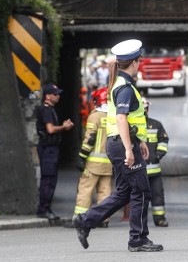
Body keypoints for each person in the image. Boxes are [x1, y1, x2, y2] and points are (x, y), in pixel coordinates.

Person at [72, 39, 163, 252]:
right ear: (134, 62)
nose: (140, 64)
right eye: (139, 60)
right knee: (141, 192)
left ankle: (85, 221)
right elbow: (122, 118)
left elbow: (128, 120)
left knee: (124, 193)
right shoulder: (125, 88)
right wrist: (130, 149)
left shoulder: (119, 84)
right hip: (122, 146)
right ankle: (138, 240)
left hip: (120, 144)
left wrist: (138, 142)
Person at [74, 87, 112, 226]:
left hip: (93, 163)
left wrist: (81, 157)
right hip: (109, 163)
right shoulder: (115, 116)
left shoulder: (95, 116)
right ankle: (103, 219)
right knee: (105, 192)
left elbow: (90, 139)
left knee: (85, 189)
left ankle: (80, 218)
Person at [36, 83, 74, 220]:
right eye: (55, 94)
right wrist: (64, 127)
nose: (58, 96)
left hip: (50, 148)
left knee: (51, 179)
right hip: (48, 149)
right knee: (48, 179)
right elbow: (50, 129)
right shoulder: (46, 110)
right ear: (48, 96)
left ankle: (46, 207)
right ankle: (43, 209)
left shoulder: (50, 109)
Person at [142, 97, 170, 227]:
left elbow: (163, 141)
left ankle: (159, 219)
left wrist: (158, 155)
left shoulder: (156, 125)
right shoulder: (130, 126)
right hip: (139, 171)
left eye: (146, 109)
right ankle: (140, 222)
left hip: (154, 170)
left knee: (157, 195)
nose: (144, 112)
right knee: (140, 198)